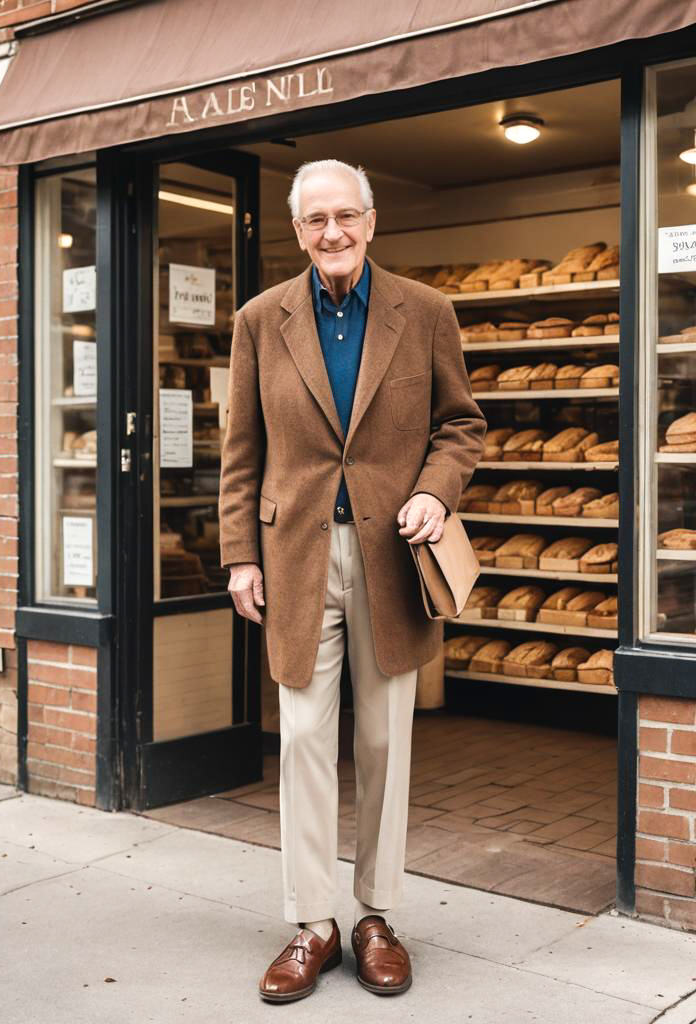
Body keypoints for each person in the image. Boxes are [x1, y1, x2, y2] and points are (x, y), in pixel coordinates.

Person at [218, 158, 486, 1003]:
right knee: (301, 739)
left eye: (344, 217)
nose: (331, 233)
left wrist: (434, 495)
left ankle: (375, 917)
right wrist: (238, 554)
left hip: (389, 560)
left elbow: (460, 425)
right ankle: (312, 923)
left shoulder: (426, 311)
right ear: (297, 232)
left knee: (383, 742)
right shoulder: (261, 319)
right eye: (314, 221)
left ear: (370, 221)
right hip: (294, 556)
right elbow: (241, 451)